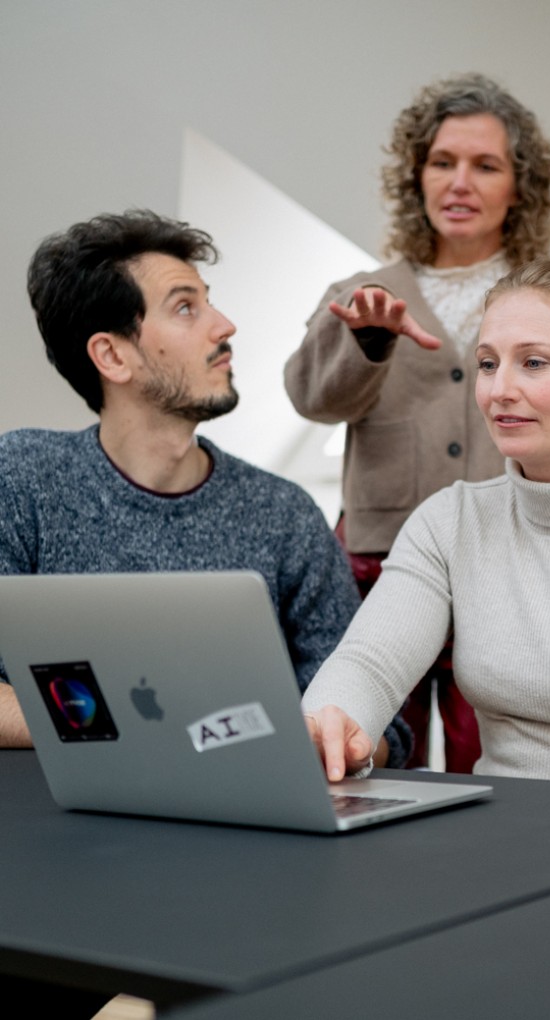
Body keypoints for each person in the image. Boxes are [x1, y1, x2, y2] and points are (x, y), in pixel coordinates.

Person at [0, 209, 411, 773]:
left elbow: (378, 726)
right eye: (185, 308)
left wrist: (341, 737)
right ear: (112, 356)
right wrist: (156, 727)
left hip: (242, 812)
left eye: (208, 302)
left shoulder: (283, 514)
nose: (224, 326)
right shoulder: (21, 479)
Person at [302, 256, 550, 790]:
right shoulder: (450, 520)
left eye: (533, 362)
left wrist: (507, 832)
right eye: (488, 364)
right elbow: (369, 664)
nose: (499, 389)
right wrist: (329, 725)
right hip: (495, 823)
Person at [284, 73, 550, 773]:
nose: (459, 182)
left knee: (496, 765)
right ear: (416, 177)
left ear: (520, 187)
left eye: (485, 165)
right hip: (378, 568)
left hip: (508, 566)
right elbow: (312, 397)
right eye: (442, 162)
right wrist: (368, 343)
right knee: (370, 756)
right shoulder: (359, 294)